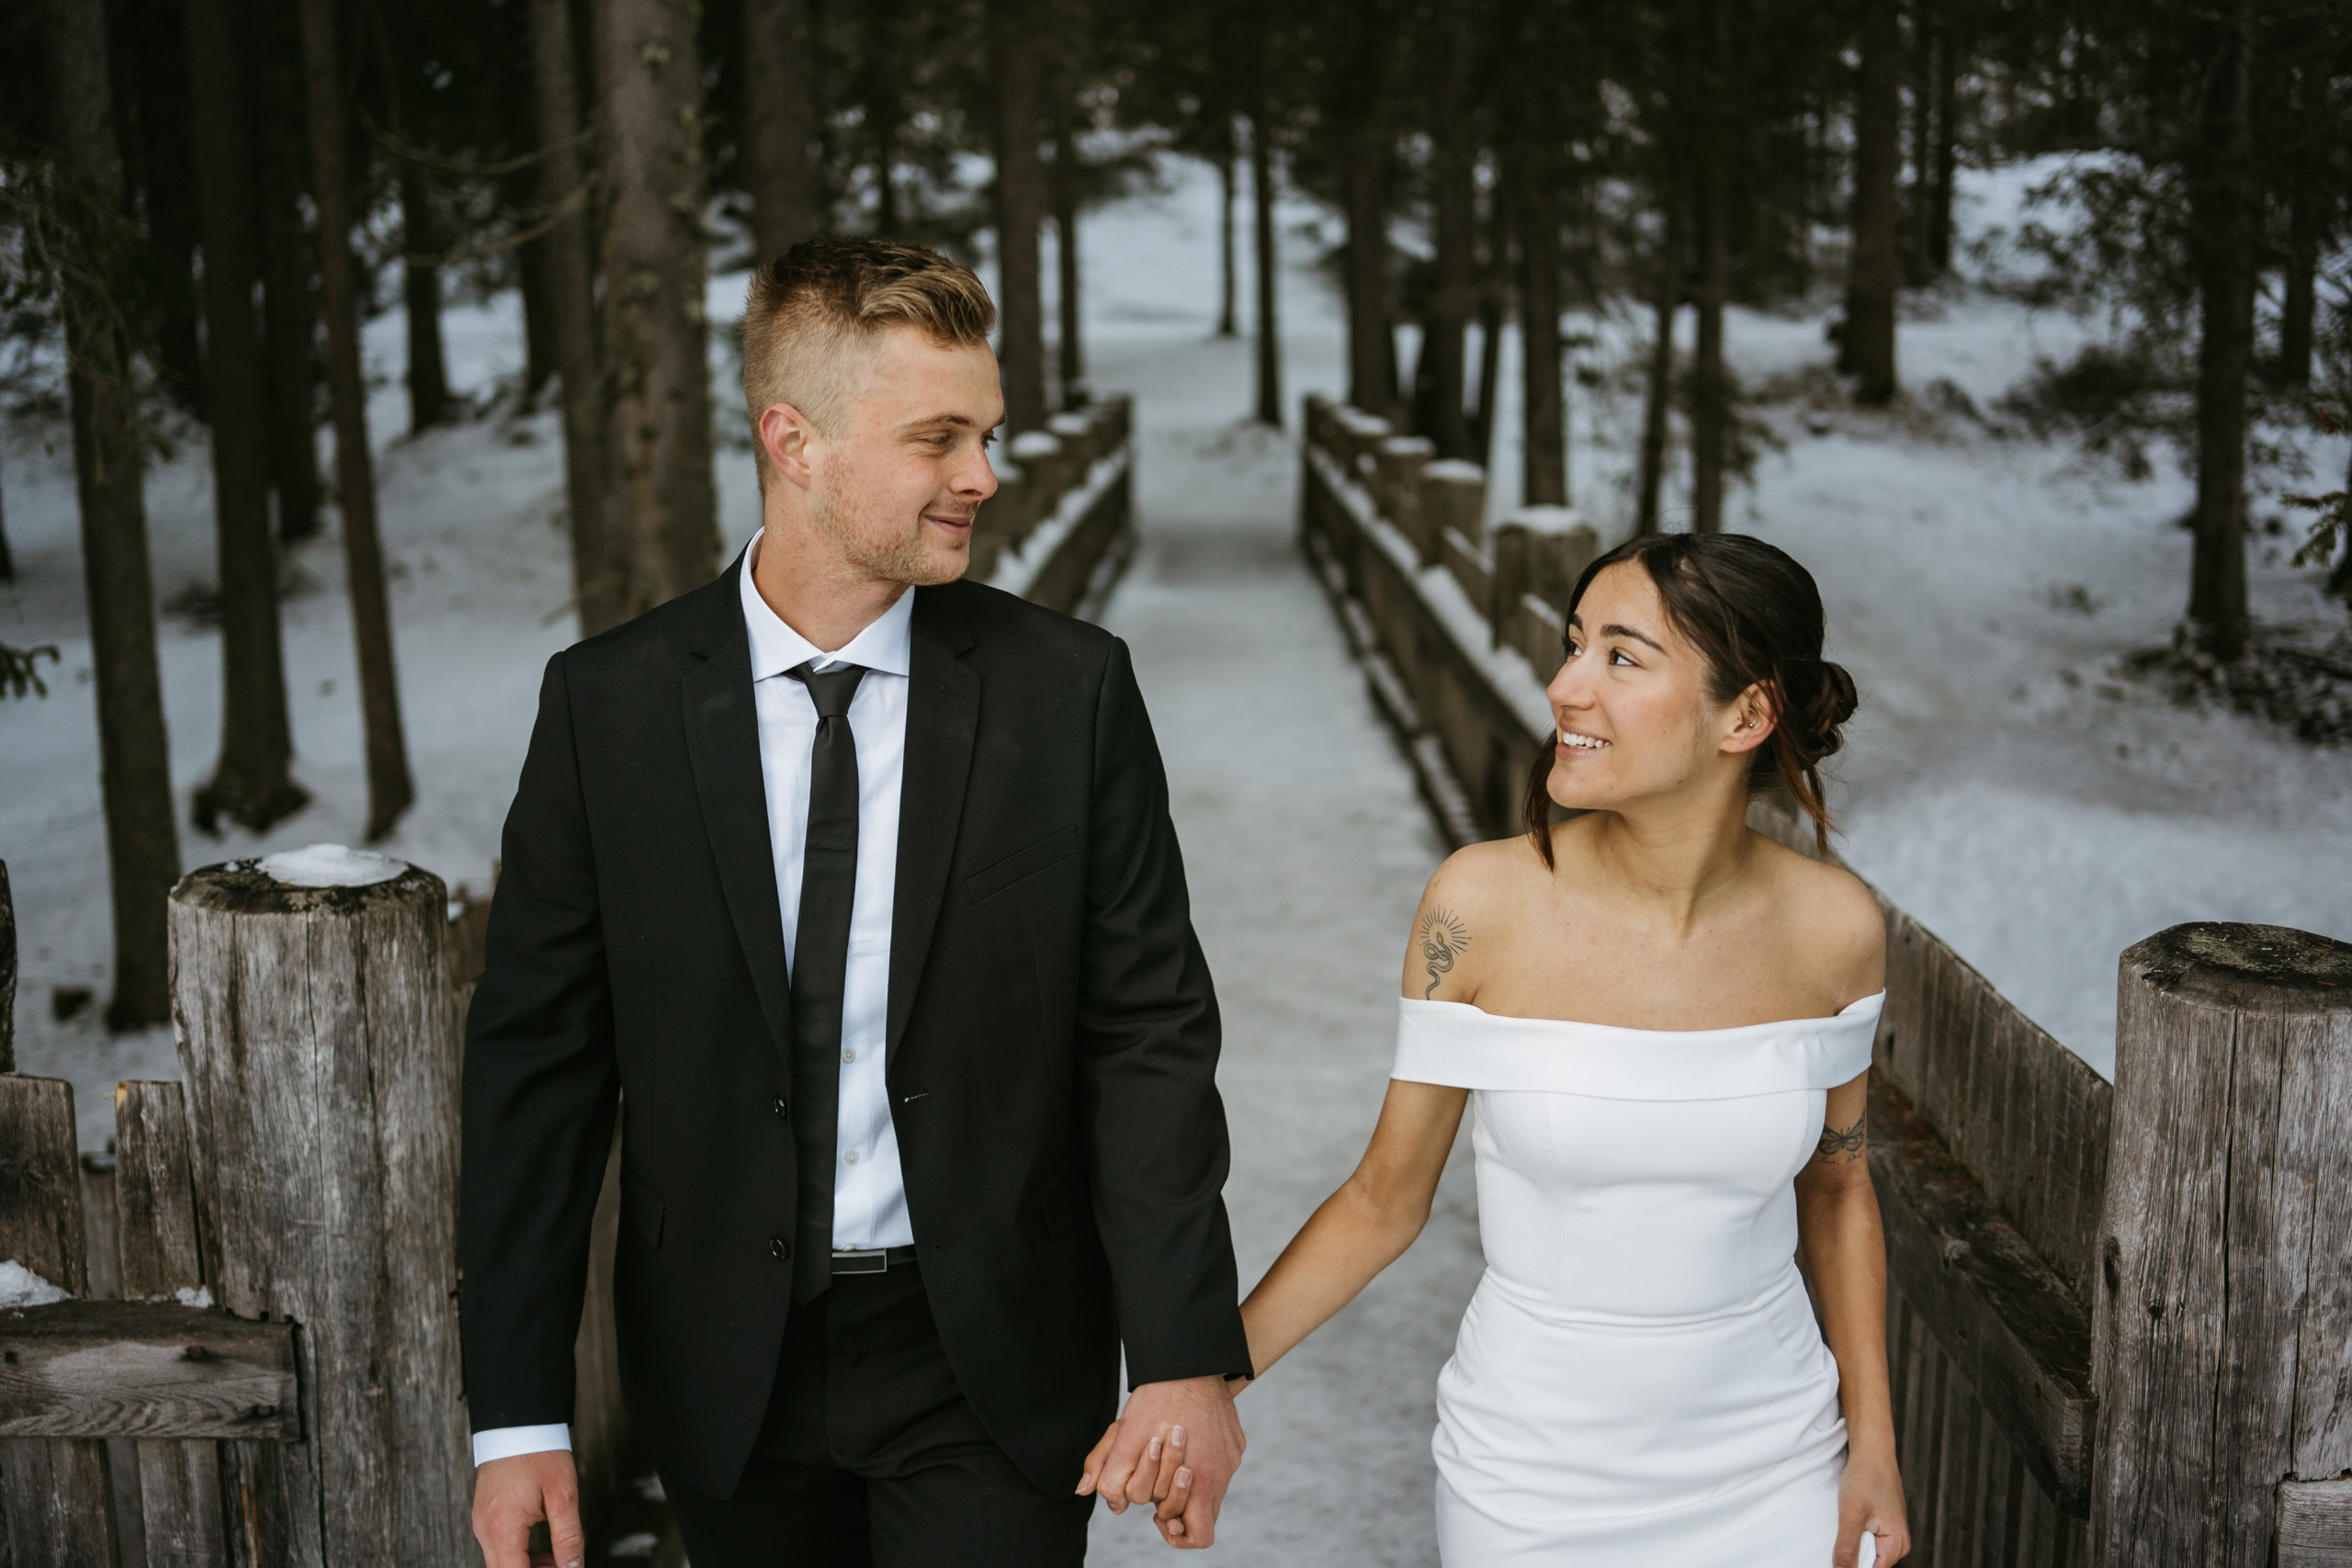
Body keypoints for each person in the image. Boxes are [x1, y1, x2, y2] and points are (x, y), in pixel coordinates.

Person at [462, 237, 1250, 1568]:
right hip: (721, 1363)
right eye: (938, 437)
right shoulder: (608, 708)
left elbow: (1148, 1035)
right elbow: (537, 1068)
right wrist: (518, 1413)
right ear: (795, 439)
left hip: (989, 1356)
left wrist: (1183, 1354)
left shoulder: (1071, 692)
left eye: (985, 433)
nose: (982, 476)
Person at [1094, 533, 1911, 1565]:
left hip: (1779, 1465)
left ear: (1745, 715)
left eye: (1621, 657)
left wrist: (1872, 1448)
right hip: (1532, 1480)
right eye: (1574, 646)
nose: (1565, 686)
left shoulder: (1833, 928)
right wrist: (1198, 1388)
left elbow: (1839, 1191)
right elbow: (1382, 1200)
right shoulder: (1480, 908)